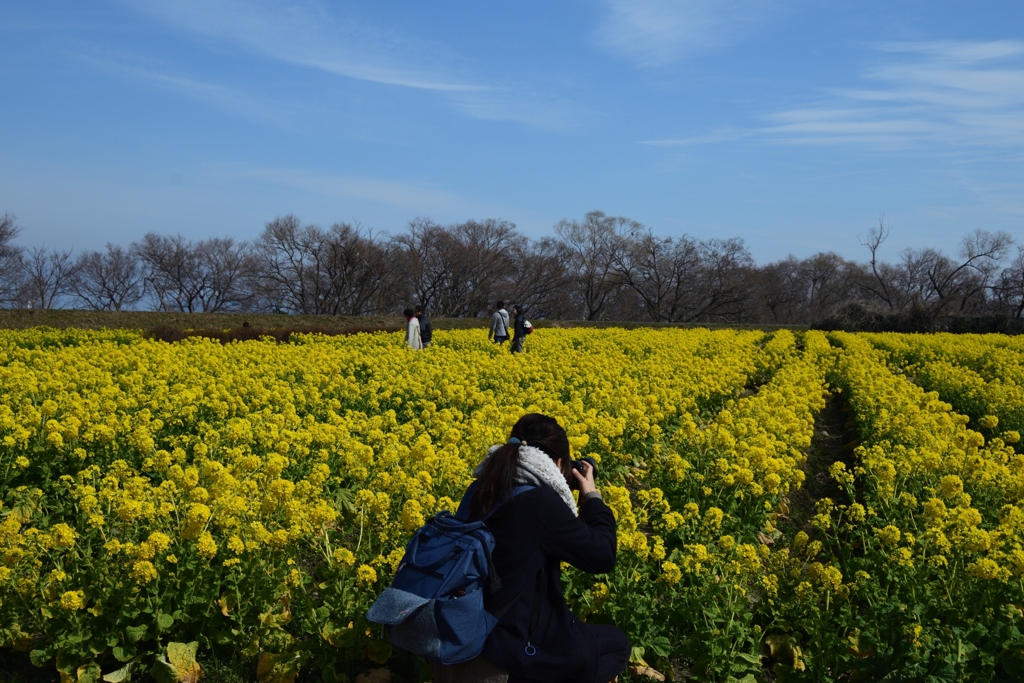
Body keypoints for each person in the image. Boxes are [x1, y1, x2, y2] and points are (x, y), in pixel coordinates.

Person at [439, 413, 629, 683]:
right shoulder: (539, 502)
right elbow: (602, 555)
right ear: (559, 462)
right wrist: (591, 497)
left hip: (465, 627)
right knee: (616, 645)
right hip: (512, 646)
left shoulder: (480, 488)